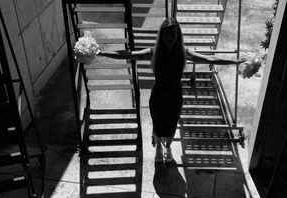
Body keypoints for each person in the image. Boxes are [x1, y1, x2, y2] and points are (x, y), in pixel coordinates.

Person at [100, 17, 245, 163]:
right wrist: (101, 53)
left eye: (173, 34)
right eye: (167, 34)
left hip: (175, 97)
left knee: (171, 127)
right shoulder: (153, 52)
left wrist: (234, 61)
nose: (170, 37)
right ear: (161, 35)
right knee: (158, 126)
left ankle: (167, 148)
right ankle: (158, 148)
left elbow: (210, 60)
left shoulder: (185, 53)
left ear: (178, 35)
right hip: (158, 97)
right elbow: (127, 55)